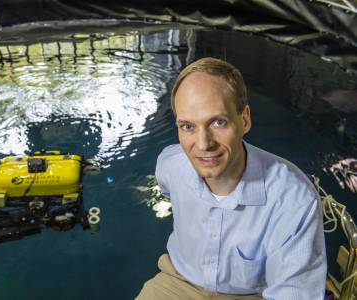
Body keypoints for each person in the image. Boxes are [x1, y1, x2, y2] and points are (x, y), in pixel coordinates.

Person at [136, 57, 327, 300]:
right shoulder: (170, 165)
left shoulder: (294, 200)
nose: (204, 144)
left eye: (218, 122)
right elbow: (166, 188)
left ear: (245, 119)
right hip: (178, 280)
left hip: (251, 295)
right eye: (187, 126)